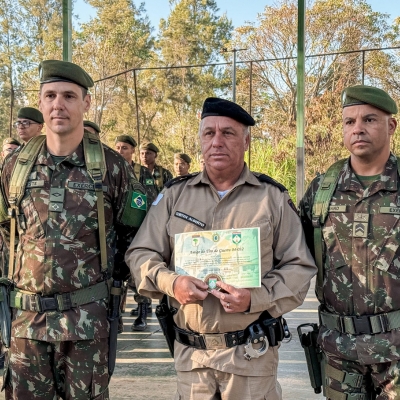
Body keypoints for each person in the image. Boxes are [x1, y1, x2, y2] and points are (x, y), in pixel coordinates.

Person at [127, 97, 317, 400]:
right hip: (192, 363)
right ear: (201, 140)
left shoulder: (272, 198)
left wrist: (255, 298)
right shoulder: (175, 196)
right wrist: (172, 283)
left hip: (251, 358)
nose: (217, 142)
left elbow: (299, 266)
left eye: (228, 133)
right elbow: (140, 254)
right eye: (209, 133)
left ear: (246, 141)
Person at [0, 59, 147, 399]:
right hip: (26, 326)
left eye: (69, 96)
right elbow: (6, 233)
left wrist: (107, 290)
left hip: (86, 327)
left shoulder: (112, 168)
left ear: (86, 103)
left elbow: (134, 239)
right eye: (50, 96)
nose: (58, 105)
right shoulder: (15, 166)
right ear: (41, 103)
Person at [299, 85, 400, 400]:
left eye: (369, 119)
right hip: (339, 352)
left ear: (391, 125)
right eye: (349, 121)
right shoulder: (322, 190)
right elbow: (292, 255)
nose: (358, 128)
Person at [114, 134, 158, 331]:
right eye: (117, 147)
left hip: (136, 231)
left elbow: (151, 199)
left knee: (137, 273)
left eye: (124, 148)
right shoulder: (111, 169)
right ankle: (116, 314)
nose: (120, 151)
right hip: (115, 231)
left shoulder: (142, 173)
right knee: (115, 275)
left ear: (132, 151)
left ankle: (142, 311)